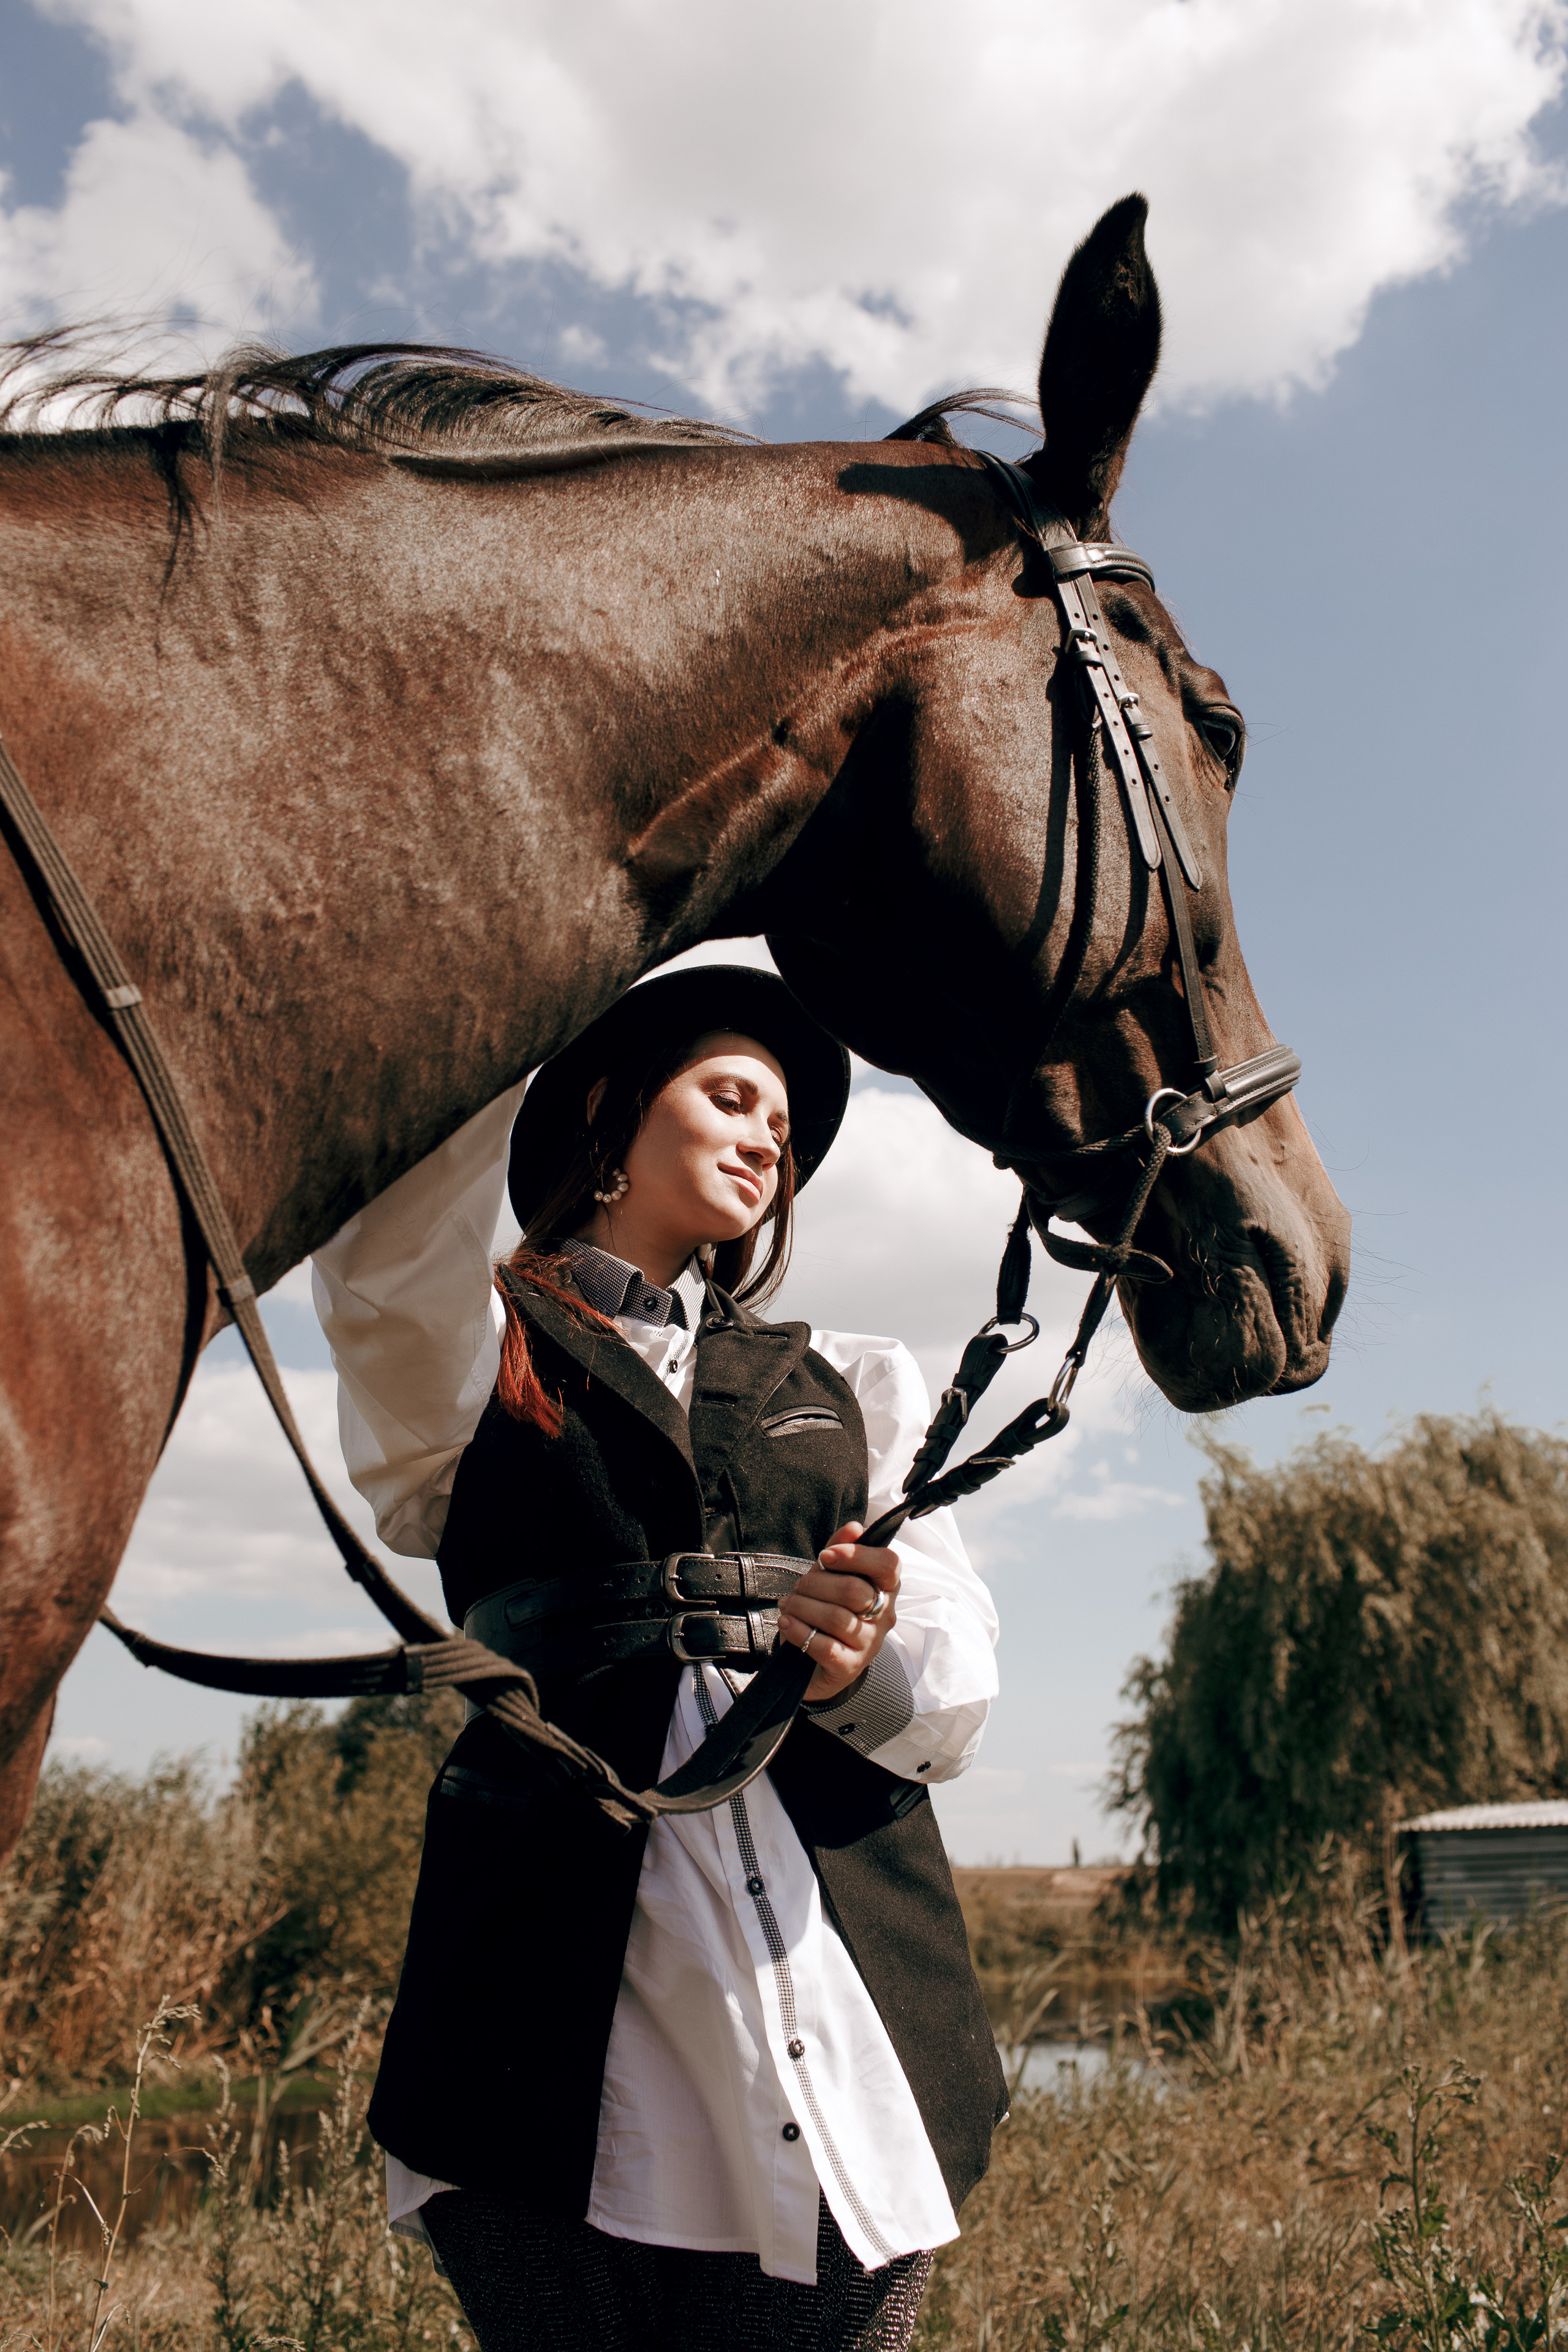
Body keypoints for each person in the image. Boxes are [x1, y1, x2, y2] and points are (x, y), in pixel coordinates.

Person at [311, 966, 1007, 2352]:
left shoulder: (853, 1377)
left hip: (843, 1979)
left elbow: (952, 1681)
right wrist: (532, 974)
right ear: (612, 1111)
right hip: (540, 1996)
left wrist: (852, 1664)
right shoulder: (474, 1357)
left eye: (786, 1126)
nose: (769, 1138)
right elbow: (385, 1253)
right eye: (731, 1096)